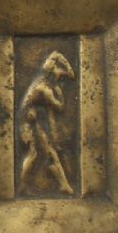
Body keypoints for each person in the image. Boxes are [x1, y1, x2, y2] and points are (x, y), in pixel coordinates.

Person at [18, 51, 76, 196]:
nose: (58, 79)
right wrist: (59, 91)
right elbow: (59, 107)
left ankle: (64, 185)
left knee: (48, 153)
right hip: (29, 127)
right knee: (34, 154)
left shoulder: (41, 84)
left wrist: (66, 68)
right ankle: (21, 186)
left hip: (34, 124)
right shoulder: (44, 90)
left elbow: (56, 55)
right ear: (51, 74)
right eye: (58, 77)